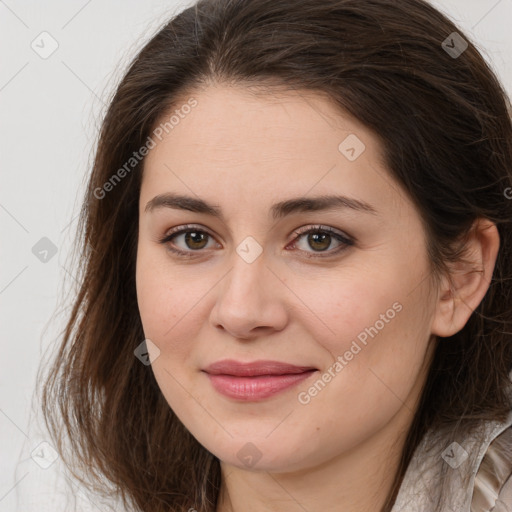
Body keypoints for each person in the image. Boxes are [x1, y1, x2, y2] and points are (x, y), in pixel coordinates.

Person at [13, 0, 512, 510]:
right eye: (192, 238)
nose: (241, 312)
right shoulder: (51, 491)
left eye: (320, 239)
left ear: (459, 274)